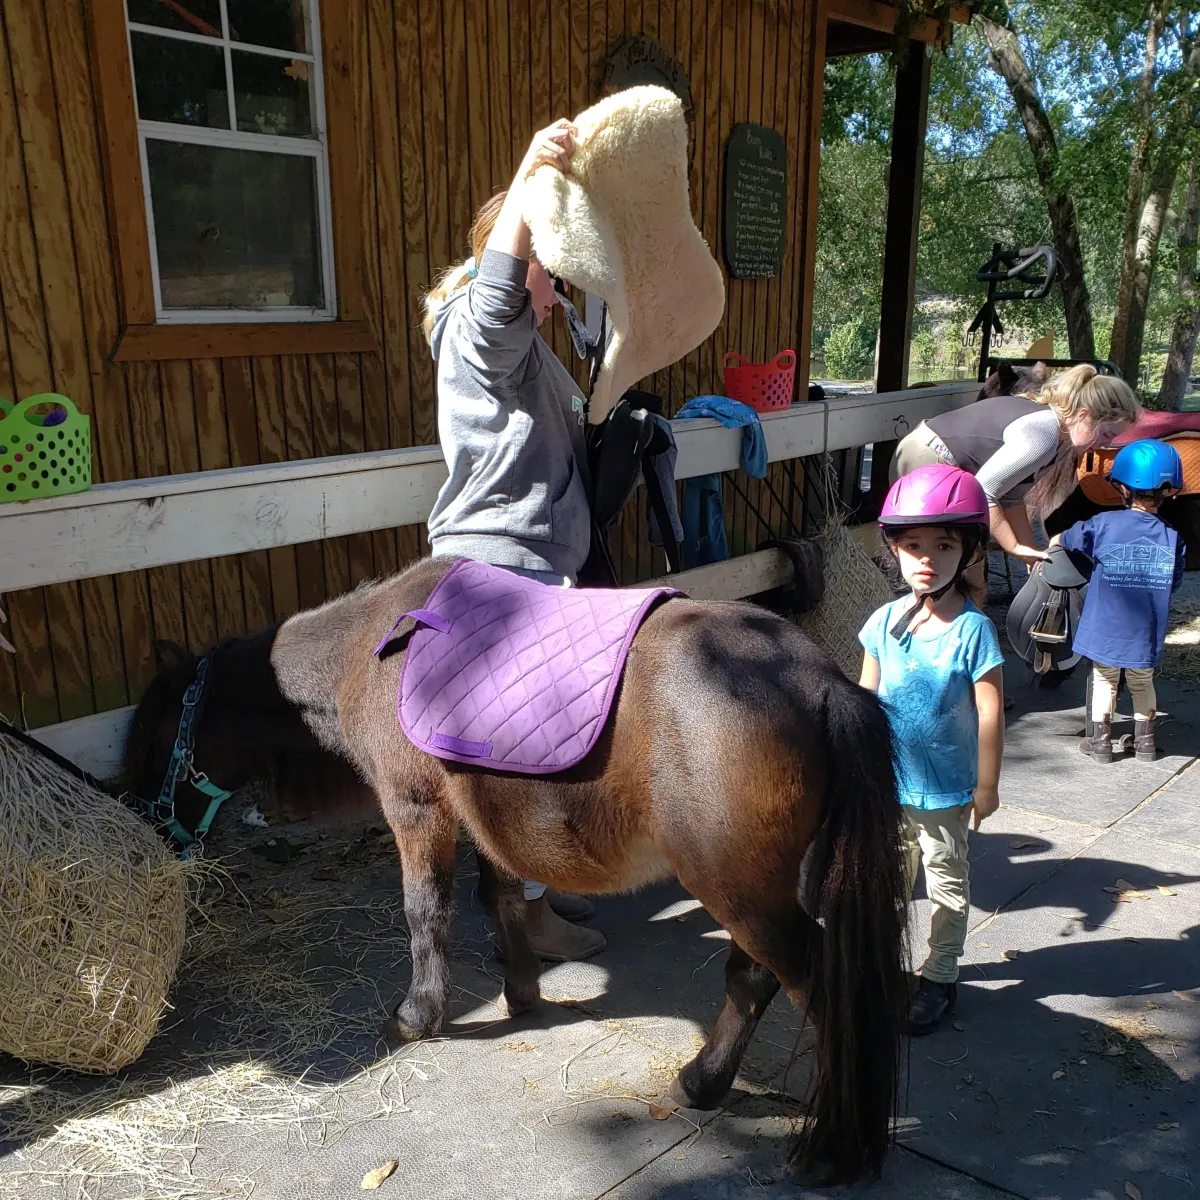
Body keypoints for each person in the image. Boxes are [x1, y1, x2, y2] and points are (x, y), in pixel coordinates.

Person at [422, 118, 605, 962]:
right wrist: (532, 172)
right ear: (515, 253)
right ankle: (525, 919)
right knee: (525, 756)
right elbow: (500, 299)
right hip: (504, 569)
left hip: (539, 563)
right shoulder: (478, 325)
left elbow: (589, 403)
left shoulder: (534, 345)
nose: (558, 288)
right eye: (551, 269)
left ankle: (525, 904)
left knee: (532, 748)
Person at [858, 465, 1006, 1036]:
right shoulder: (882, 622)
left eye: (944, 545)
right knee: (886, 880)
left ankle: (940, 973)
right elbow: (865, 699)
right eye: (913, 544)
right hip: (887, 783)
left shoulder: (973, 632)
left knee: (946, 881)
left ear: (967, 550)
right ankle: (885, 966)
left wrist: (987, 783)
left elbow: (990, 708)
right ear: (893, 549)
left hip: (945, 789)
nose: (927, 558)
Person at [890, 364, 1142, 600]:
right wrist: (1013, 547)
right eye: (1107, 434)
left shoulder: (1060, 440)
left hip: (946, 466)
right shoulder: (1045, 432)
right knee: (957, 558)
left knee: (965, 564)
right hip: (929, 459)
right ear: (1084, 415)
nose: (1107, 444)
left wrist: (1030, 554)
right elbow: (985, 491)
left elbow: (1010, 496)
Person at [1049, 439, 1186, 764]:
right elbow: (1175, 582)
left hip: (1104, 628)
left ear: (1123, 487)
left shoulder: (1103, 525)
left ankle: (1100, 745)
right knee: (1141, 681)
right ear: (1168, 490)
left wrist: (1056, 540)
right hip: (1146, 631)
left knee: (1104, 680)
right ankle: (1146, 745)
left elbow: (1070, 536)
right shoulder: (1173, 537)